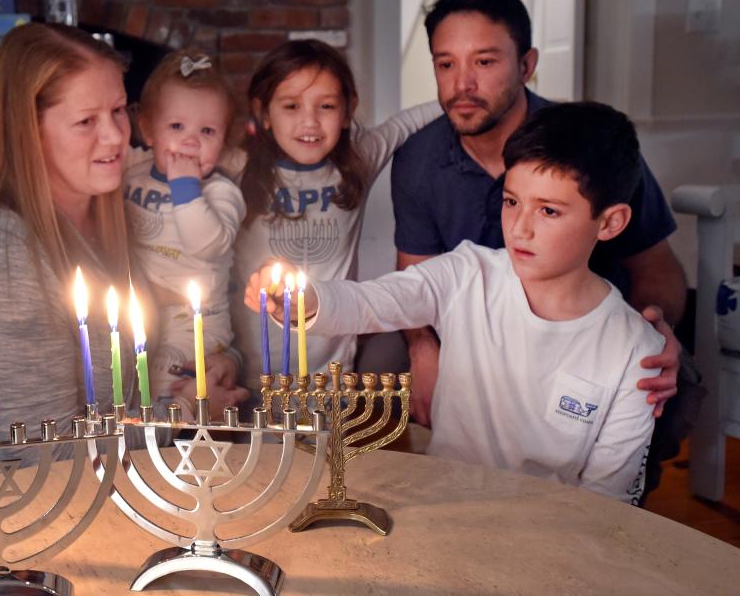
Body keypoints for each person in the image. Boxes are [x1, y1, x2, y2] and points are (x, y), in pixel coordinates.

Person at [249, 102, 661, 504]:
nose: (520, 229)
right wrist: (305, 299)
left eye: (549, 211)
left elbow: (609, 502)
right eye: (512, 202)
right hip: (443, 511)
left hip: (550, 540)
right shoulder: (469, 273)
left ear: (610, 222)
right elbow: (376, 300)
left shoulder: (635, 351)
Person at [0, 23, 239, 483]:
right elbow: (51, 455)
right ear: (29, 133)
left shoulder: (119, 216)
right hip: (9, 518)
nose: (116, 137)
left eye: (118, 111)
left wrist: (216, 360)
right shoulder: (11, 267)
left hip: (116, 487)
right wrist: (185, 411)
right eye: (86, 121)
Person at [375, 0, 684, 428]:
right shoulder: (418, 160)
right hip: (480, 357)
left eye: (484, 61)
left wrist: (650, 330)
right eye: (446, 64)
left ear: (526, 65)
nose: (462, 84)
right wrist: (423, 350)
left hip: (588, 348)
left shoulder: (590, 144)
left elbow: (658, 270)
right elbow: (414, 277)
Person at [226, 39, 442, 402]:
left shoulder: (358, 159)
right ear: (263, 112)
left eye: (326, 106)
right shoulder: (237, 167)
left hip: (331, 378)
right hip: (253, 374)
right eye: (291, 106)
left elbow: (408, 122)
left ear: (347, 111)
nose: (309, 121)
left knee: (328, 459)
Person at [124, 49, 249, 419]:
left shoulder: (221, 192)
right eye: (176, 127)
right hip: (142, 313)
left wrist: (186, 189)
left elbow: (207, 244)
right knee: (131, 390)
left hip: (196, 321)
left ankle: (177, 432)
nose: (191, 141)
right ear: (147, 129)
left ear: (223, 142)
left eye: (207, 131)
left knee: (176, 389)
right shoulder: (134, 170)